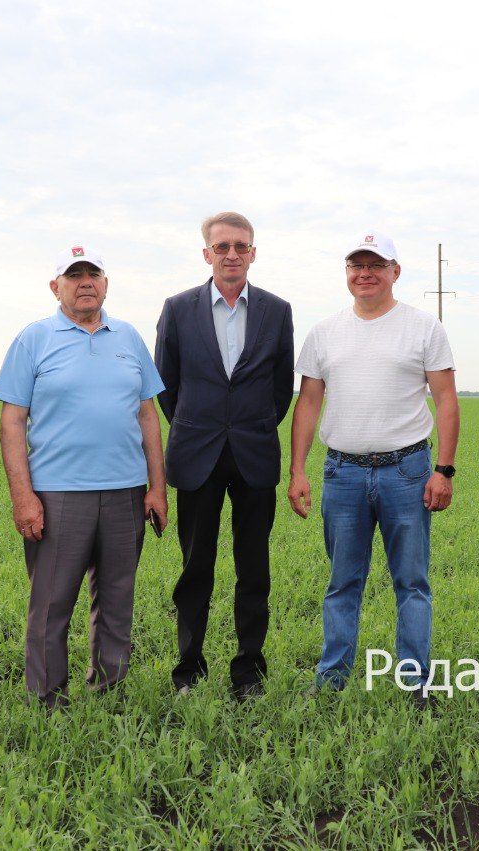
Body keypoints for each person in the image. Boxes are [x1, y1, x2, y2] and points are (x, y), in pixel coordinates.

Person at [0, 245, 167, 709]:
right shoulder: (34, 338)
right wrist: (22, 496)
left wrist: (157, 487)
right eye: (74, 275)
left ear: (106, 284)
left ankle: (109, 689)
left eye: (93, 273)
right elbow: (12, 421)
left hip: (125, 492)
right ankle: (47, 697)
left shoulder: (128, 337)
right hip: (57, 494)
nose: (85, 281)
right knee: (51, 603)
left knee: (116, 599)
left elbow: (148, 415)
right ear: (56, 287)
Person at [288, 232, 459, 704]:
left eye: (376, 265)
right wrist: (297, 470)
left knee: (412, 583)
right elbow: (307, 405)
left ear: (395, 272)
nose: (365, 273)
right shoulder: (325, 332)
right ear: (347, 273)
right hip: (341, 473)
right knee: (342, 581)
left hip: (406, 471)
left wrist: (443, 469)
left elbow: (445, 399)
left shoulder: (423, 327)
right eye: (356, 265)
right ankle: (333, 678)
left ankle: (415, 682)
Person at [154, 212, 294, 700]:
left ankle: (248, 671)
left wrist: (248, 427)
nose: (232, 254)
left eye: (241, 246)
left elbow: (282, 390)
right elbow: (165, 386)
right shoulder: (178, 309)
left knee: (254, 569)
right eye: (222, 247)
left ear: (253, 252)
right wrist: (202, 426)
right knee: (196, 569)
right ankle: (189, 669)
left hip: (254, 455)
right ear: (206, 253)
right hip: (197, 455)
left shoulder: (277, 311)